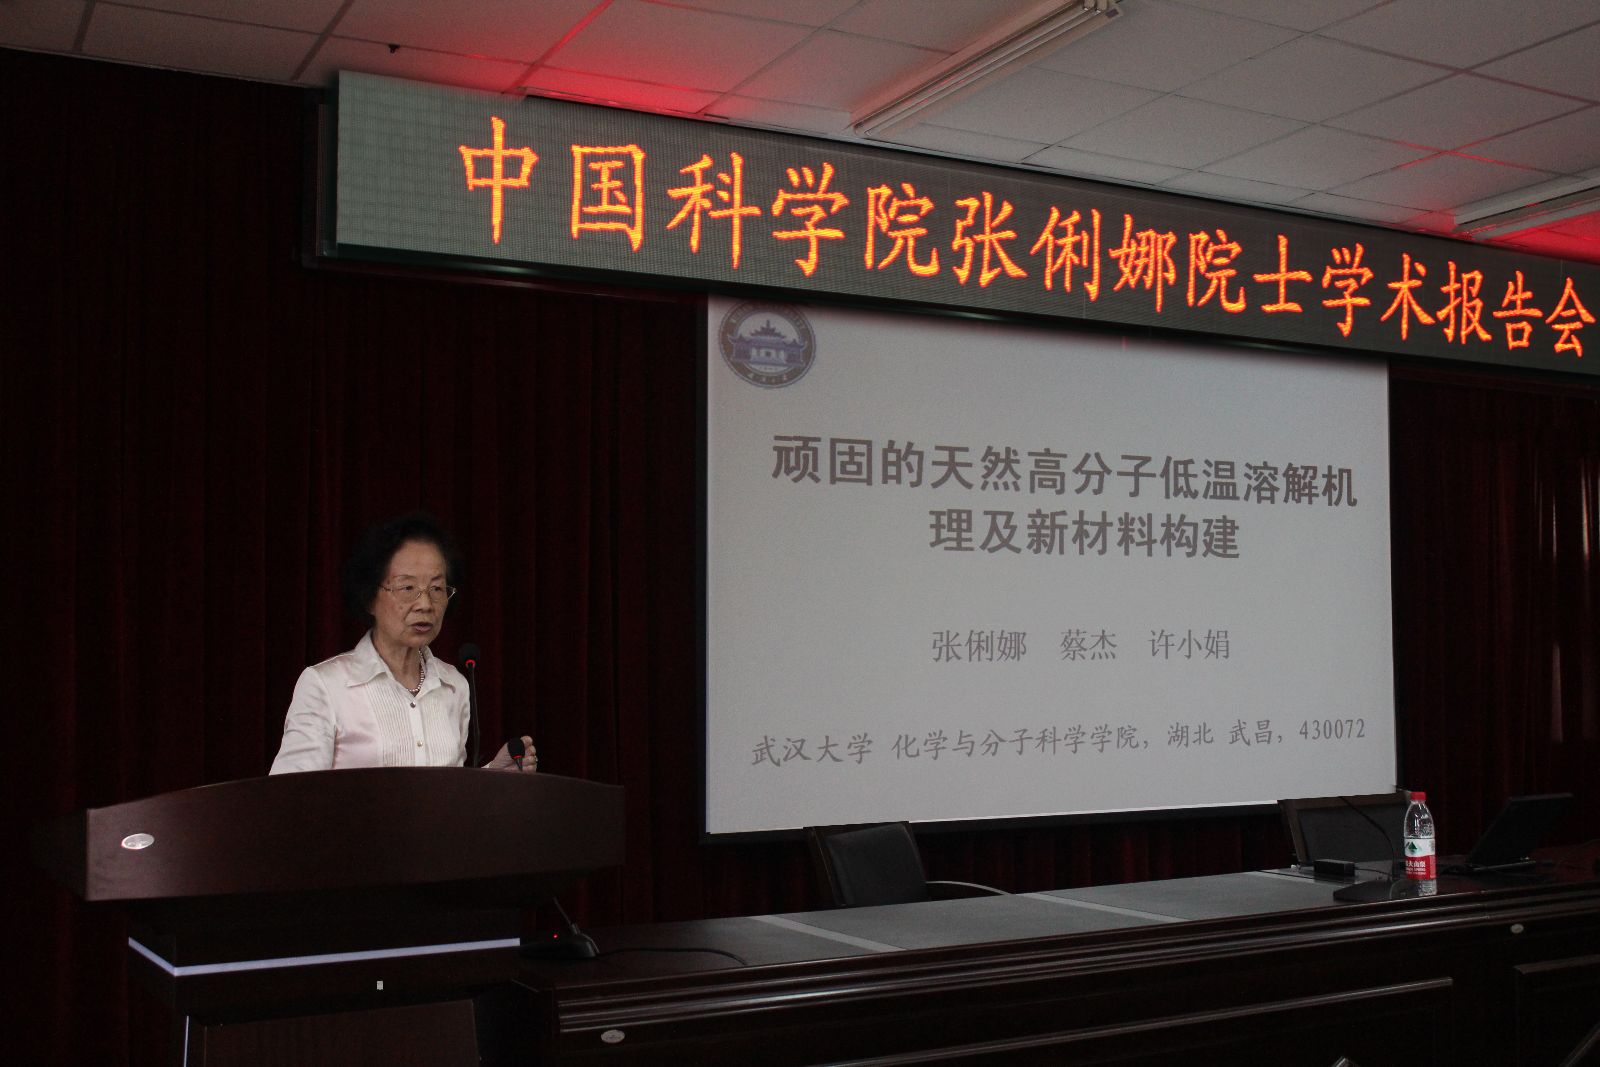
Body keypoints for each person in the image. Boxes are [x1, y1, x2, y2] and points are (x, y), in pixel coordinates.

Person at [269, 513, 535, 775]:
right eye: (407, 588)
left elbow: (450, 793)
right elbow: (289, 793)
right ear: (369, 597)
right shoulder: (326, 686)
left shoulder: (454, 685)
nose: (425, 604)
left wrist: (494, 776)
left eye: (436, 589)